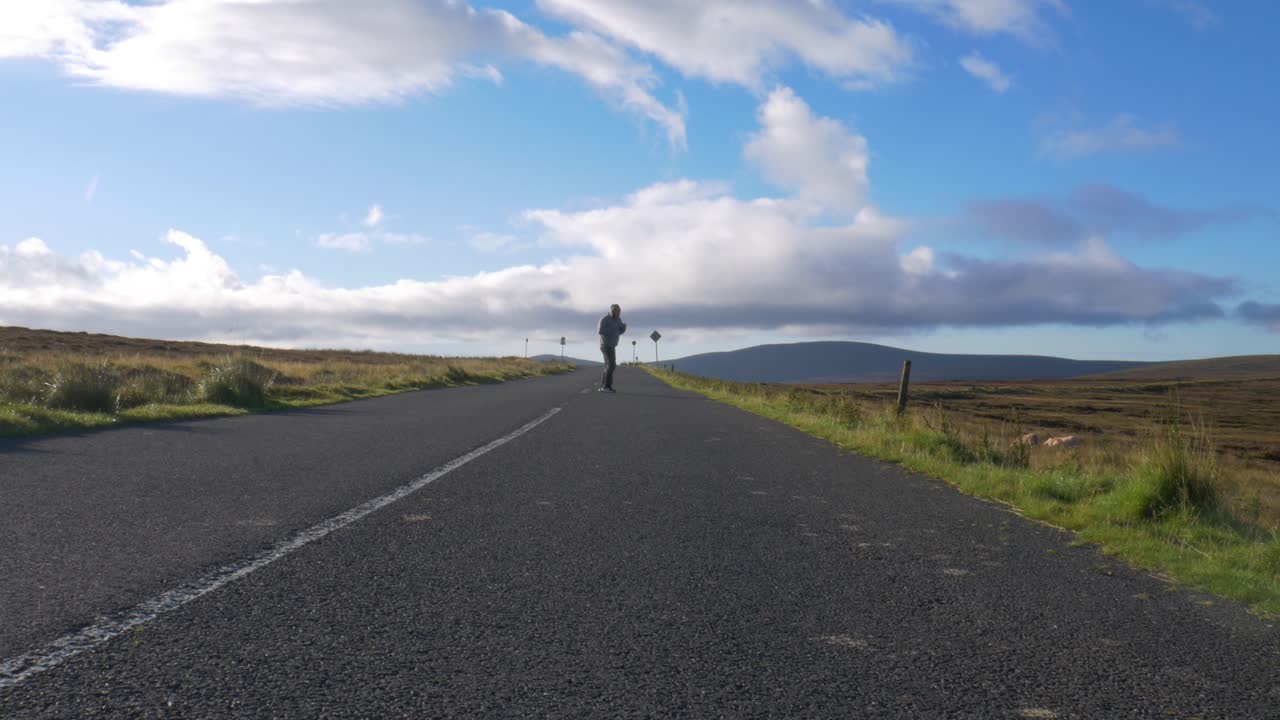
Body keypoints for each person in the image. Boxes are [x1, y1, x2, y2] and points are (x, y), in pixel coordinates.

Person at [597, 303, 626, 392]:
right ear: (610, 310)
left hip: (612, 346)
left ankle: (605, 386)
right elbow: (600, 331)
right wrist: (612, 329)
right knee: (611, 365)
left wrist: (623, 329)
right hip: (605, 345)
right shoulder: (604, 319)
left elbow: (618, 332)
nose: (617, 313)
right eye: (615, 311)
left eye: (618, 311)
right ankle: (606, 386)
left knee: (609, 366)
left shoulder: (618, 320)